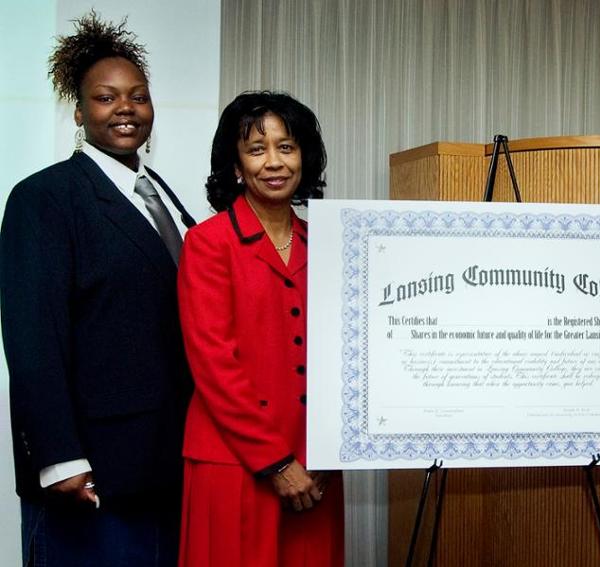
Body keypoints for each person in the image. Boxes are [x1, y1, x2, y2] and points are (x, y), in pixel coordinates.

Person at [0, 11, 195, 566]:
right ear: (80, 111)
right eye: (106, 98)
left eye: (138, 96)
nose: (126, 108)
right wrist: (59, 457)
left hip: (165, 465)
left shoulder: (162, 195)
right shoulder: (45, 197)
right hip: (91, 473)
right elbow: (32, 338)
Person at [177, 91, 344, 567]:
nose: (274, 162)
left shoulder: (329, 243)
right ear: (235, 165)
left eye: (286, 147)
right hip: (233, 466)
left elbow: (345, 356)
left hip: (316, 470)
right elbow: (213, 364)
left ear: (304, 158)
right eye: (256, 149)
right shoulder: (207, 244)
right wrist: (276, 462)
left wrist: (329, 454)